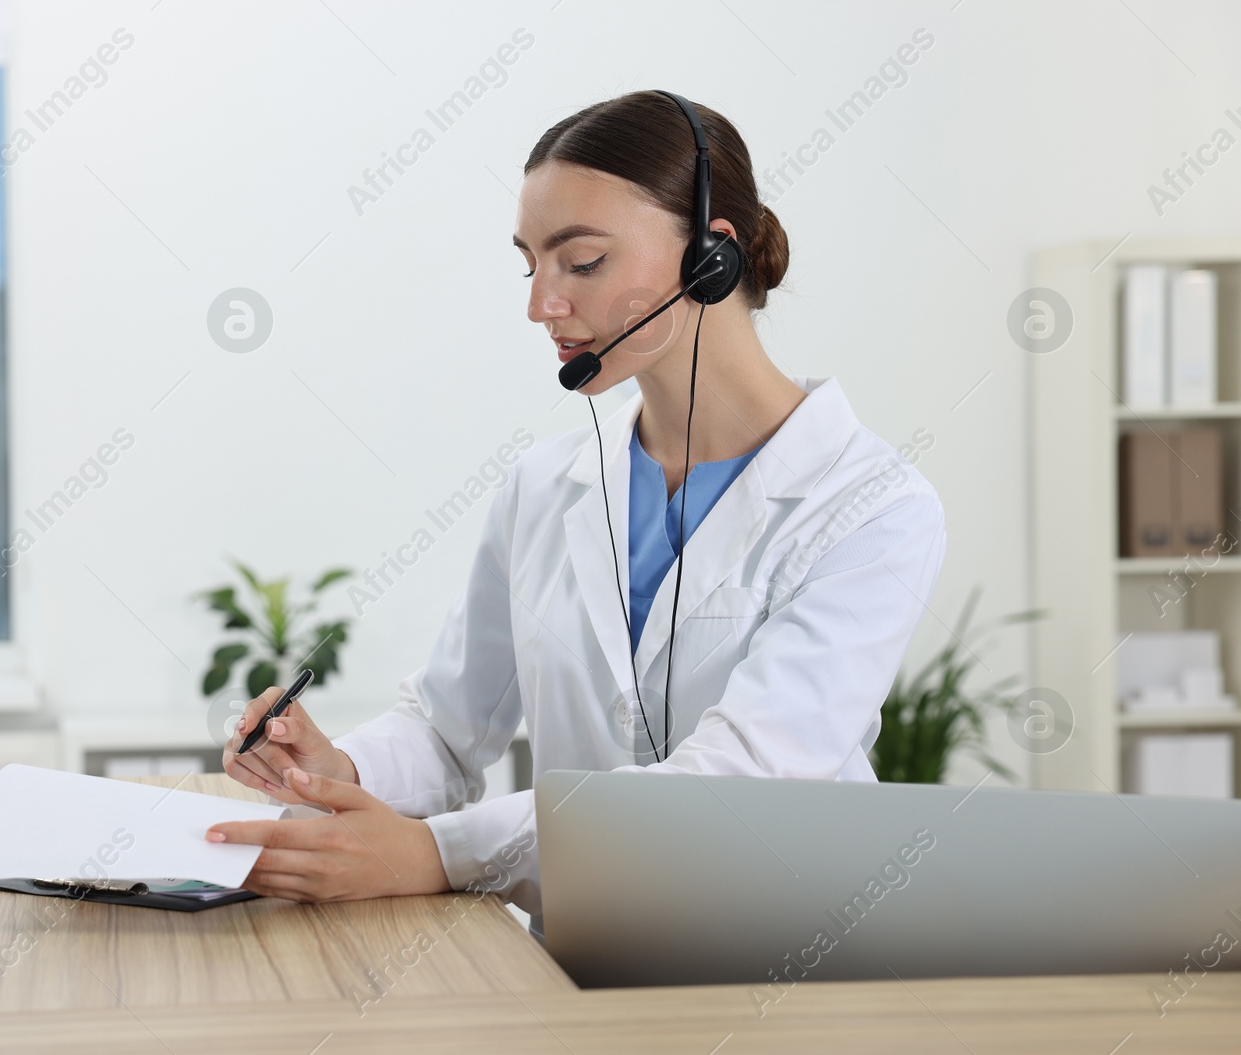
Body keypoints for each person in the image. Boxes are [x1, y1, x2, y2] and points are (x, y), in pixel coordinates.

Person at [205, 91, 946, 939]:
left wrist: (438, 854)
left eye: (581, 262)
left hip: (783, 965)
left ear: (712, 257)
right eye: (531, 264)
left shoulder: (873, 508)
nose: (540, 304)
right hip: (576, 964)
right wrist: (334, 768)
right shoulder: (542, 485)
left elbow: (744, 780)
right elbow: (447, 730)